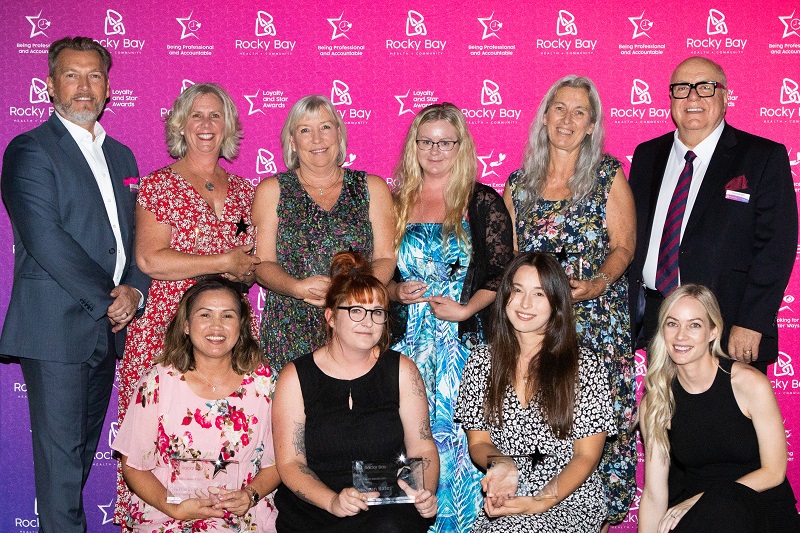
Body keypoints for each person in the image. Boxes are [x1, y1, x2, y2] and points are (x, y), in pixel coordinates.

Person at [0, 36, 149, 533]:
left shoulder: (124, 157)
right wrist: (109, 299)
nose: (84, 87)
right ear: (49, 85)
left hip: (108, 330)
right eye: (71, 75)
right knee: (60, 468)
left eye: (94, 76)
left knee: (81, 458)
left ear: (108, 88)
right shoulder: (29, 150)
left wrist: (134, 289)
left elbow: (138, 241)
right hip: (57, 329)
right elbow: (46, 239)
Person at [116, 82, 261, 526]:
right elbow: (149, 258)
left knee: (224, 438)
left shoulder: (244, 190)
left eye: (215, 116)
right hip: (165, 330)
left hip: (225, 333)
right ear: (180, 124)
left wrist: (245, 269)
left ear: (229, 126)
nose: (206, 125)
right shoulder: (160, 185)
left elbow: (251, 265)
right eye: (196, 115)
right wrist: (224, 261)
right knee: (154, 444)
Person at [502, 75, 637, 525]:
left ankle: (590, 518)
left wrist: (598, 282)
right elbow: (508, 260)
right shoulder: (518, 184)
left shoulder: (607, 174)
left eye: (580, 111)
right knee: (537, 425)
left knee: (595, 435)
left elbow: (623, 246)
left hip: (595, 324)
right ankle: (532, 511)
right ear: (544, 116)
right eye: (560, 108)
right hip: (535, 329)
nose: (567, 119)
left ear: (592, 124)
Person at [628, 56, 797, 373]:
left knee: (726, 420)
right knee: (663, 418)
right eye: (682, 88)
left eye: (705, 87)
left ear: (725, 97)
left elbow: (776, 247)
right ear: (671, 98)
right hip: (658, 320)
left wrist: (753, 321)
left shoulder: (762, 157)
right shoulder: (647, 155)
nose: (692, 97)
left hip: (728, 324)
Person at [389, 102, 513, 533]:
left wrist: (466, 308)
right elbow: (374, 276)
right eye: (427, 141)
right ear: (414, 146)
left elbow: (502, 273)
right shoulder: (394, 201)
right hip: (406, 347)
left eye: (446, 142)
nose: (436, 150)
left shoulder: (481, 201)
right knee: (407, 441)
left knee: (463, 442)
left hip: (465, 347)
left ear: (461, 146)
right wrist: (395, 292)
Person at [272, 252, 438, 532]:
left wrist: (423, 493)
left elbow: (422, 446)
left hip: (385, 508)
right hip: (316, 507)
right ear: (331, 317)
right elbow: (290, 463)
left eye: (377, 313)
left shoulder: (402, 369)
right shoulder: (295, 376)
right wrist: (333, 501)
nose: (368, 321)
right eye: (356, 311)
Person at [455, 252, 615, 532]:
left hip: (570, 498)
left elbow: (586, 456)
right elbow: (479, 443)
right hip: (512, 493)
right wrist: (502, 463)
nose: (525, 303)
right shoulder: (481, 360)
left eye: (539, 294)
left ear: (556, 303)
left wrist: (540, 501)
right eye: (517, 291)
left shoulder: (585, 365)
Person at [113, 277, 279, 532]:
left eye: (227, 316)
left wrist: (251, 495)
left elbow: (282, 461)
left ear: (241, 325)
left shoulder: (265, 383)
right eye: (205, 315)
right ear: (187, 325)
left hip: (244, 515)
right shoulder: (157, 382)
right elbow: (134, 466)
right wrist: (174, 507)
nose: (217, 326)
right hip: (167, 512)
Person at [638, 284, 799, 533]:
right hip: (702, 519)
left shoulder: (748, 383)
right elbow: (654, 494)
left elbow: (774, 472)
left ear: (713, 331)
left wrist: (701, 500)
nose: (681, 336)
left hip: (759, 508)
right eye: (672, 324)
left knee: (722, 506)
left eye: (694, 325)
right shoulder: (656, 401)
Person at [253, 95, 395, 371]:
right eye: (305, 130)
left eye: (325, 127)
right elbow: (261, 264)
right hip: (290, 328)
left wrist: (354, 295)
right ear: (293, 142)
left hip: (357, 325)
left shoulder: (372, 188)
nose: (317, 139)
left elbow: (386, 257)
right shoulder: (272, 190)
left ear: (339, 134)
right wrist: (296, 287)